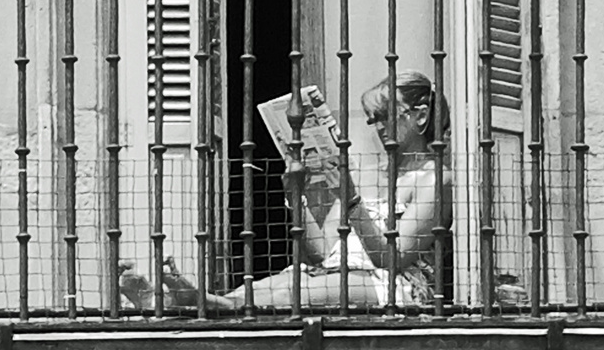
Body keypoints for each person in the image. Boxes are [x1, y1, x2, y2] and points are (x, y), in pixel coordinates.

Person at [120, 70, 451, 312]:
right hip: (341, 272)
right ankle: (172, 303)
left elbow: (391, 259)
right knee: (281, 281)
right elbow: (323, 251)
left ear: (420, 116)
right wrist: (297, 196)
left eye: (385, 117)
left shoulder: (435, 180)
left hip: (395, 287)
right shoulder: (365, 173)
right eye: (372, 120)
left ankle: (197, 302)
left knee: (299, 288)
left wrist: (350, 199)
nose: (379, 128)